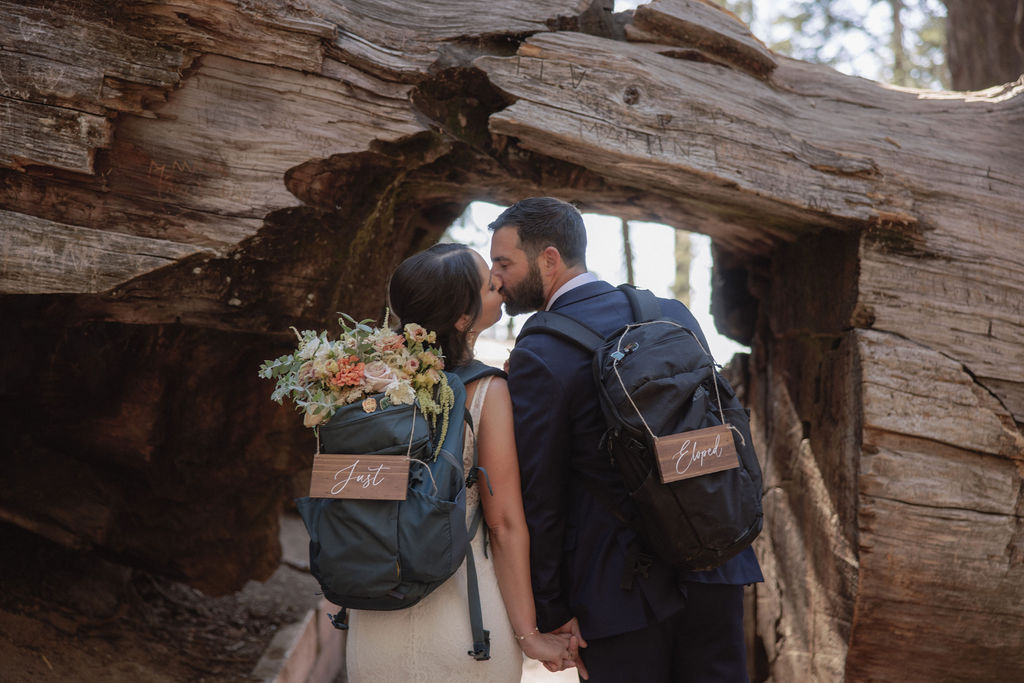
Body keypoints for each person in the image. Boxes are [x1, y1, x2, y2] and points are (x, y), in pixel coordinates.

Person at [488, 197, 764, 683]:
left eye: (504, 263)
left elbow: (542, 496)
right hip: (716, 561)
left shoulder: (542, 349)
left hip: (620, 590)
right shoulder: (670, 312)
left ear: (549, 259)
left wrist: (551, 606)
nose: (496, 279)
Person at [344, 243, 580, 682]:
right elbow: (504, 523)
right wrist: (530, 635)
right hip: (467, 625)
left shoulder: (358, 386)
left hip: (374, 623)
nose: (501, 287)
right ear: (463, 320)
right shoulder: (487, 391)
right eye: (491, 286)